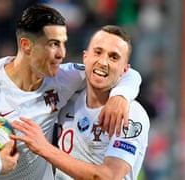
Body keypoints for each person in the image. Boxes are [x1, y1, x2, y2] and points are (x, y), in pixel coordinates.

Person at [0, 4, 141, 180]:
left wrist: (120, 95)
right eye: (53, 44)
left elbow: (124, 72)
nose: (61, 54)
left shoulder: (63, 77)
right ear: (27, 46)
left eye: (63, 44)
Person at [11, 25, 150, 180]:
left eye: (113, 57)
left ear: (125, 70)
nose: (103, 62)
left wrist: (44, 148)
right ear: (85, 57)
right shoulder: (68, 97)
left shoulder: (131, 114)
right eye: (98, 52)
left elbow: (110, 176)